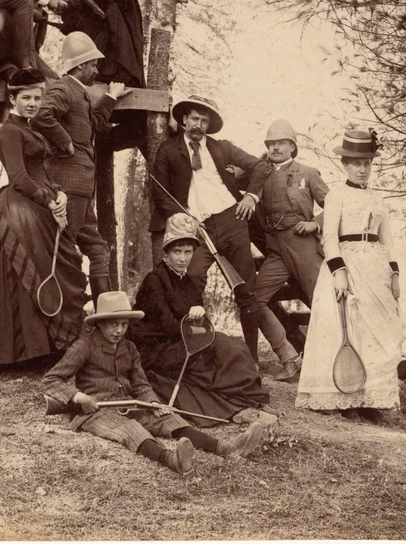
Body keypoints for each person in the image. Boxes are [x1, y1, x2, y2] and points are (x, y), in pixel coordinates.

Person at [41, 291, 267, 478]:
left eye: (123, 325)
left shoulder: (129, 348)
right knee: (131, 430)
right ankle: (173, 460)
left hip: (132, 404)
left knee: (169, 418)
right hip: (97, 411)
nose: (119, 330)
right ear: (99, 324)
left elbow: (141, 384)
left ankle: (226, 448)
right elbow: (51, 380)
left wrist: (152, 402)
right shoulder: (84, 346)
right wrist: (79, 398)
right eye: (112, 325)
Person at [0, 68, 87, 370]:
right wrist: (48, 200)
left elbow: (41, 172)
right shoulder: (9, 131)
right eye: (25, 98)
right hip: (17, 208)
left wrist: (59, 194)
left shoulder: (32, 129)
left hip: (40, 201)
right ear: (12, 99)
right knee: (30, 270)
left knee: (58, 264)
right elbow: (19, 177)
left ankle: (45, 348)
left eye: (36, 98)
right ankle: (11, 354)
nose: (32, 103)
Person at [148, 95, 269, 359]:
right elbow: (160, 193)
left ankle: (252, 359)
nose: (198, 125)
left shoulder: (222, 148)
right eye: (194, 119)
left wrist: (250, 196)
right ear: (183, 120)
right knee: (191, 282)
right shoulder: (168, 150)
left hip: (232, 221)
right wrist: (184, 218)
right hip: (197, 229)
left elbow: (259, 166)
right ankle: (198, 353)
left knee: (246, 290)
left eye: (204, 121)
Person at [296, 128, 403, 419]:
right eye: (356, 163)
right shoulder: (337, 195)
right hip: (346, 265)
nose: (362, 169)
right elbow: (328, 237)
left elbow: (388, 240)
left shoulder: (378, 199)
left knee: (374, 332)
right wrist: (339, 272)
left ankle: (370, 400)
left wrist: (394, 274)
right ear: (344, 164)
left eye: (367, 163)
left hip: (376, 270)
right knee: (346, 329)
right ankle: (345, 398)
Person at [129, 213, 272, 426]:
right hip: (156, 350)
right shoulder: (155, 280)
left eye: (188, 252)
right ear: (166, 253)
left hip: (183, 340)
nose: (182, 258)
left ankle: (252, 399)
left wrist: (199, 318)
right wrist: (195, 325)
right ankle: (241, 404)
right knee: (223, 347)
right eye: (177, 251)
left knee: (237, 345)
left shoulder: (189, 281)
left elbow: (202, 322)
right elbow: (168, 326)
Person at [32, 33, 130, 305]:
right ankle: (60, 309)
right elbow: (42, 115)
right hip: (68, 187)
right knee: (64, 250)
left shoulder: (80, 93)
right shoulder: (64, 88)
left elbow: (94, 125)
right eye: (93, 65)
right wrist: (66, 145)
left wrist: (110, 97)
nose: (97, 70)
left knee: (98, 250)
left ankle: (104, 314)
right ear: (79, 66)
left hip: (81, 189)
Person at [247, 119, 329, 381]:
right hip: (277, 249)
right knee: (255, 301)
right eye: (271, 144)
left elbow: (337, 207)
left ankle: (328, 368)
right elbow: (233, 175)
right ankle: (290, 358)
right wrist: (257, 162)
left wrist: (315, 223)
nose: (275, 148)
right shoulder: (262, 174)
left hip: (304, 245)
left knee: (325, 305)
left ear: (293, 147)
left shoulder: (308, 173)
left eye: (281, 143)